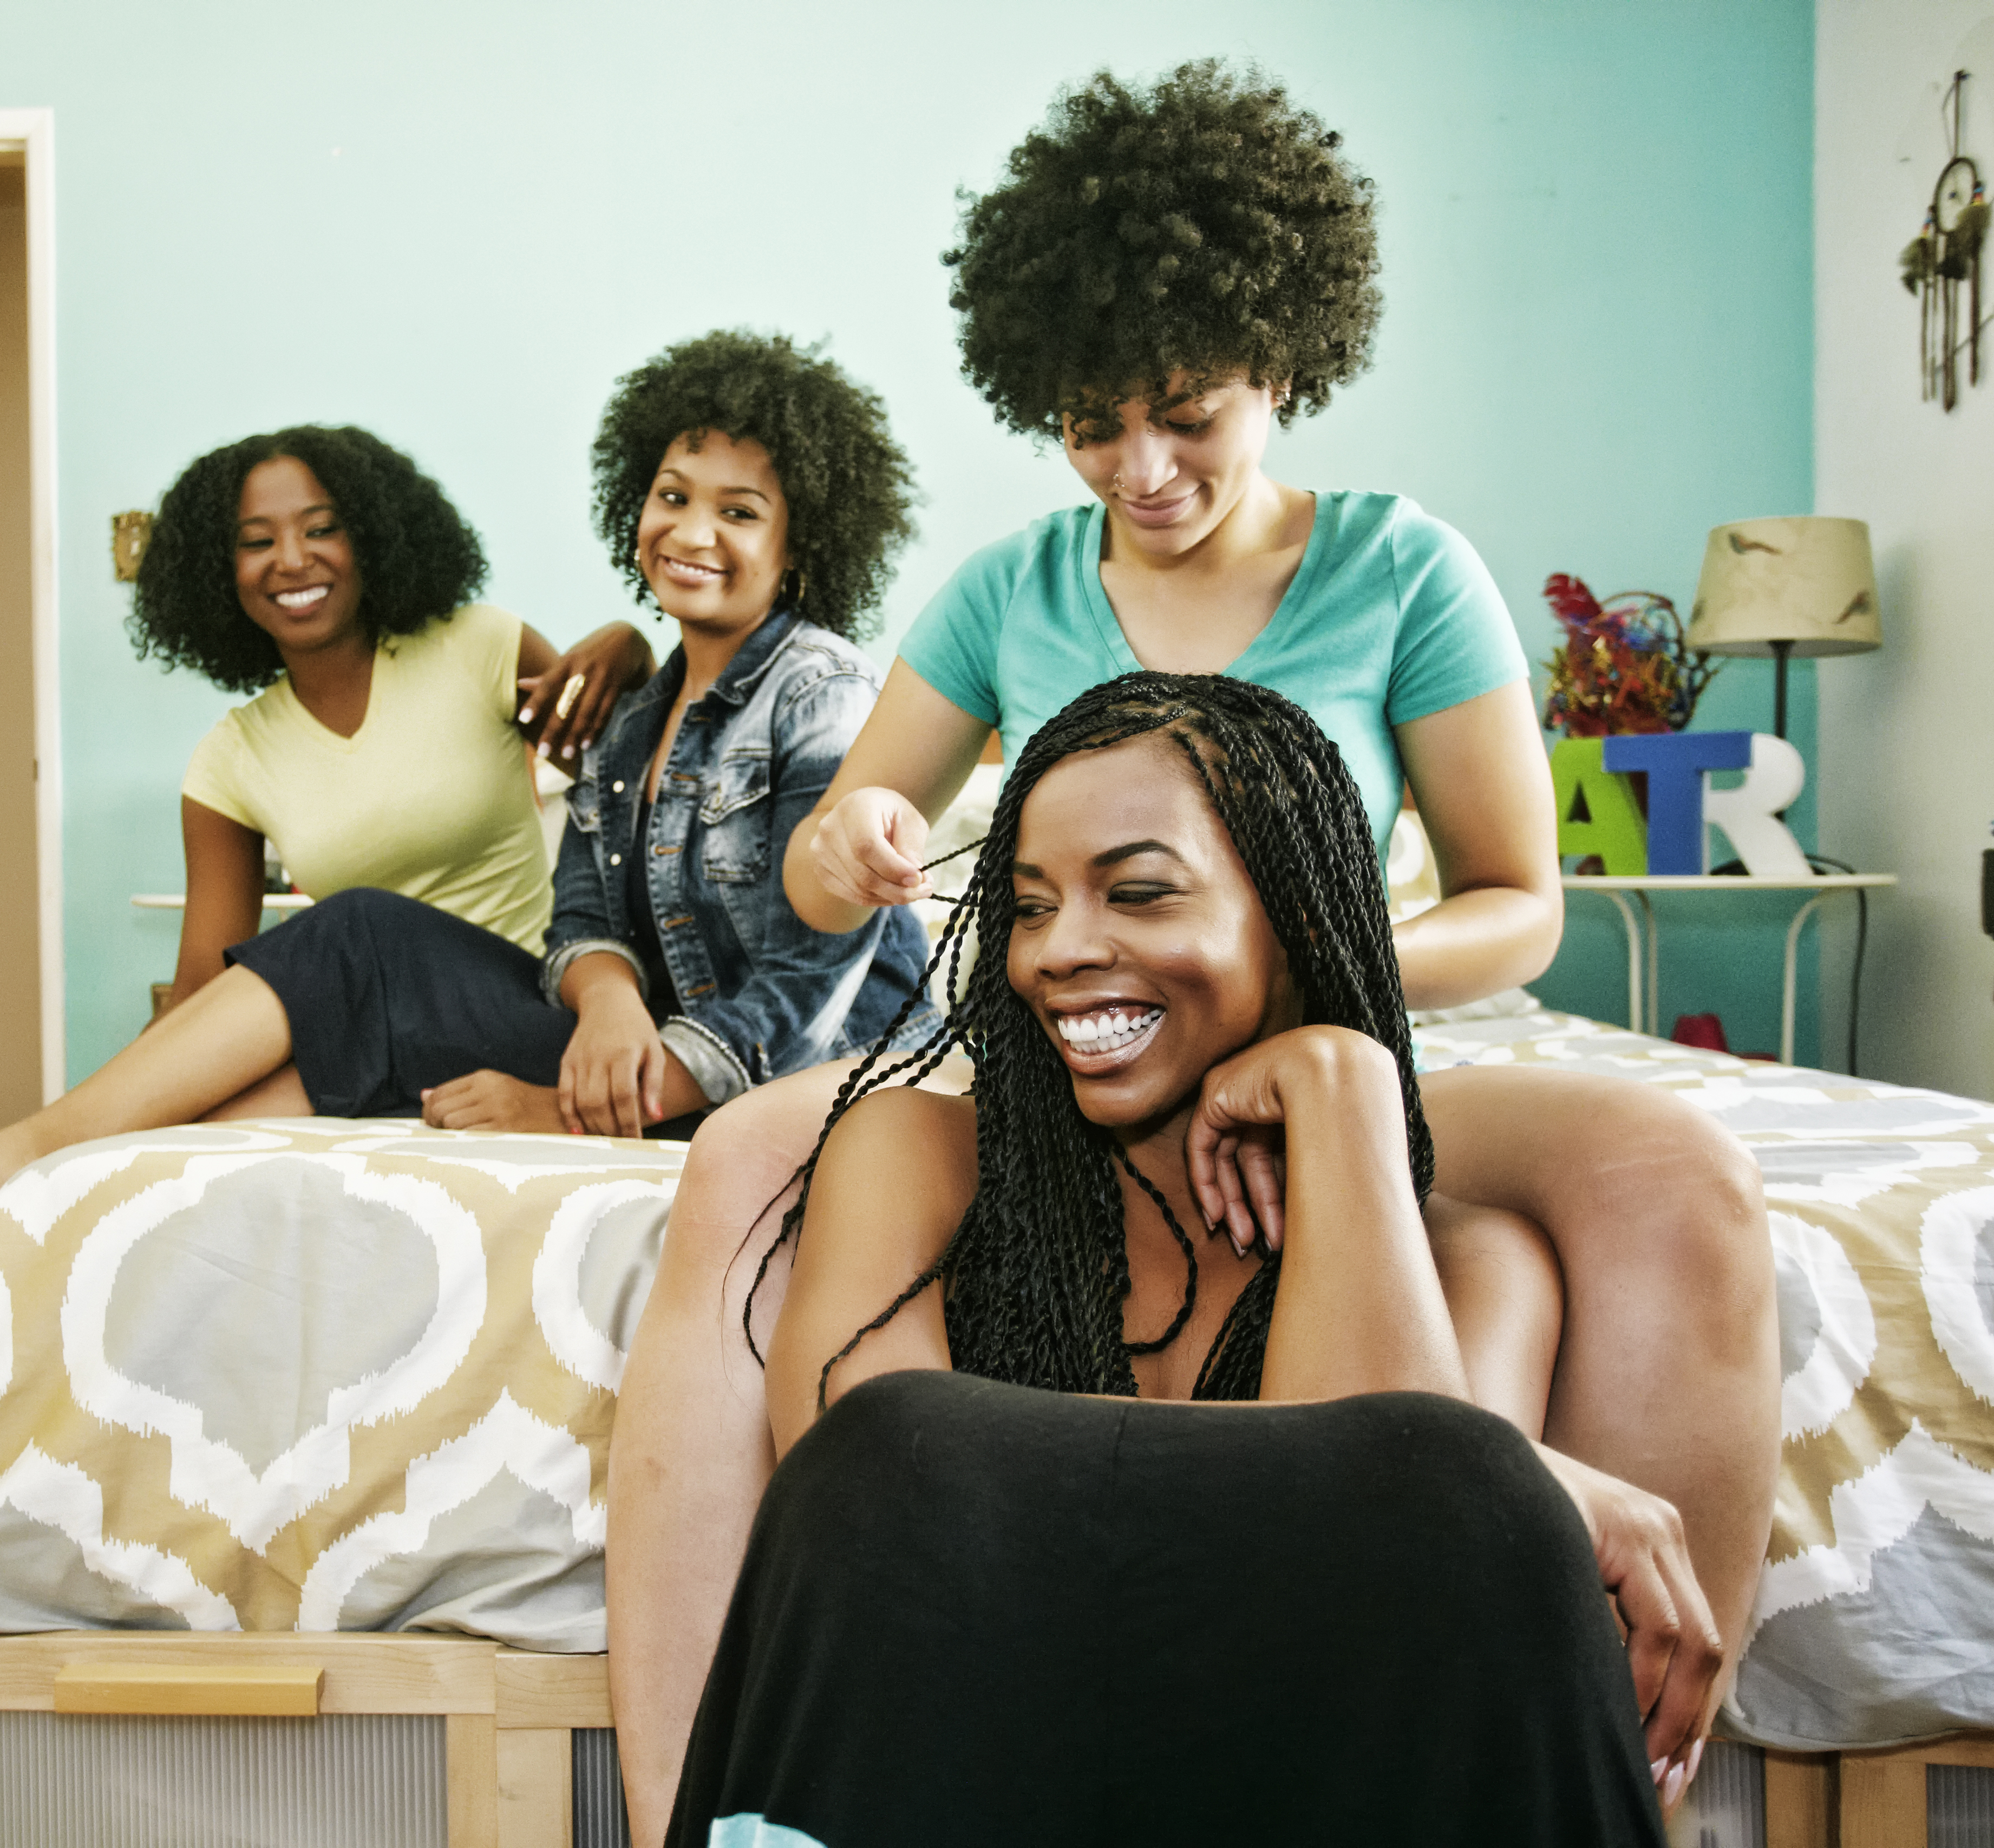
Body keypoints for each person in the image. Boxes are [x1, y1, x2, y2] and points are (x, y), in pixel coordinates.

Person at [606, 62, 1775, 1842]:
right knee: (763, 1155)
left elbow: (1515, 898)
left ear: (1277, 370)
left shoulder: (1403, 571)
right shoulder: (1006, 593)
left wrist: (1325, 999)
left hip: (1367, 1016)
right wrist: (847, 847)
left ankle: (1639, 1781)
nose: (1142, 469)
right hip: (1092, 1056)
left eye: (1188, 416)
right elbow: (850, 861)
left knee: (1675, 1166)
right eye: (1092, 423)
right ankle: (711, 1794)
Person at [0, 333, 938, 1324]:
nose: (692, 530)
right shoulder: (627, 728)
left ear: (802, 540)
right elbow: (587, 909)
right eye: (672, 497)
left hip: (705, 1073)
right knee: (229, 1100)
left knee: (354, 937)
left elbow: (813, 985)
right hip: (585, 1031)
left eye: (739, 511)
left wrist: (571, 1096)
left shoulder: (814, 692)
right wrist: (611, 999)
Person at [668, 676, 1678, 1844]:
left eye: (1138, 893)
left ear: (1300, 924)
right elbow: (877, 1503)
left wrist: (1339, 1085)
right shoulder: (917, 1156)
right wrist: (1532, 1475)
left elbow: (1378, 1580)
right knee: (893, 1446)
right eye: (1030, 908)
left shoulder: (1475, 1265)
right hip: (957, 1786)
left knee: (1447, 1475)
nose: (1060, 954)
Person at [0, 424, 653, 1326]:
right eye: (255, 542)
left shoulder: (479, 646)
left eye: (320, 527)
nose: (290, 558)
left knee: (359, 922)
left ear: (374, 536)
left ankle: (1, 1159)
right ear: (219, 575)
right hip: (378, 1045)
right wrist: (157, 1087)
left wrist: (627, 644)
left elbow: (639, 756)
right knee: (160, 1150)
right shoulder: (231, 757)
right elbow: (200, 985)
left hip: (523, 1016)